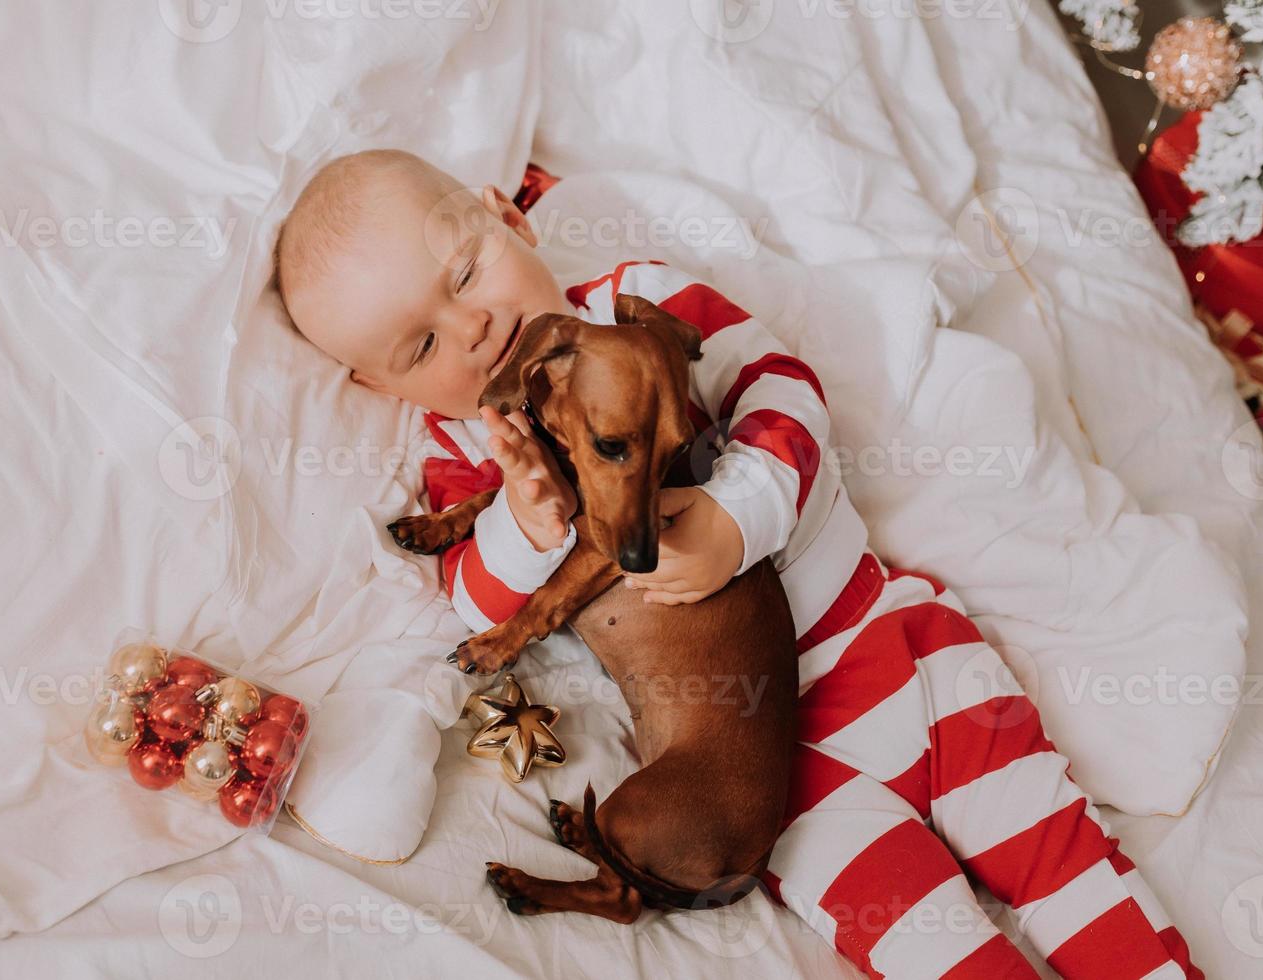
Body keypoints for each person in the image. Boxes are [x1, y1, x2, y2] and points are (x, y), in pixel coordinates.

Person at [277, 148, 1200, 979]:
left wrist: (733, 517)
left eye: (466, 272)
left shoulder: (639, 307)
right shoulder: (472, 454)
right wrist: (522, 514)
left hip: (898, 652)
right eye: (423, 345)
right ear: (381, 388)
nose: (473, 326)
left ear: (507, 216)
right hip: (784, 787)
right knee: (936, 953)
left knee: (1069, 872)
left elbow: (784, 389)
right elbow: (477, 602)